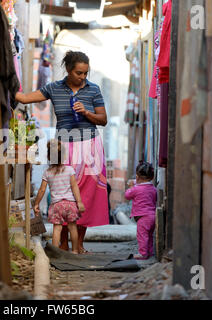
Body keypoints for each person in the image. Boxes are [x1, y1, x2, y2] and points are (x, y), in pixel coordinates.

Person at [15, 51, 109, 254]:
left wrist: (86, 112)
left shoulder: (93, 90)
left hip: (90, 146)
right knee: (64, 193)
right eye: (78, 73)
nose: (83, 77)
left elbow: (103, 119)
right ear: (68, 69)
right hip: (64, 147)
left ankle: (79, 244)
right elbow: (23, 97)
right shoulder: (54, 88)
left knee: (86, 195)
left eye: (85, 73)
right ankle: (64, 243)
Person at [33, 140, 85, 254]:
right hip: (70, 204)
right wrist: (79, 202)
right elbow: (74, 187)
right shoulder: (70, 170)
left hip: (56, 205)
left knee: (57, 228)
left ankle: (56, 252)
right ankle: (75, 250)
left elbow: (42, 190)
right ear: (64, 156)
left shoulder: (47, 172)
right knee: (72, 227)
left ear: (48, 156)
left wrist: (36, 203)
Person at [125, 161, 157, 260]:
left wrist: (131, 186)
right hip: (152, 215)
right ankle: (150, 252)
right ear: (152, 177)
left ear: (137, 177)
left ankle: (143, 253)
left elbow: (127, 195)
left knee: (142, 235)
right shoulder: (153, 189)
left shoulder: (136, 189)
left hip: (143, 217)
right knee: (150, 236)